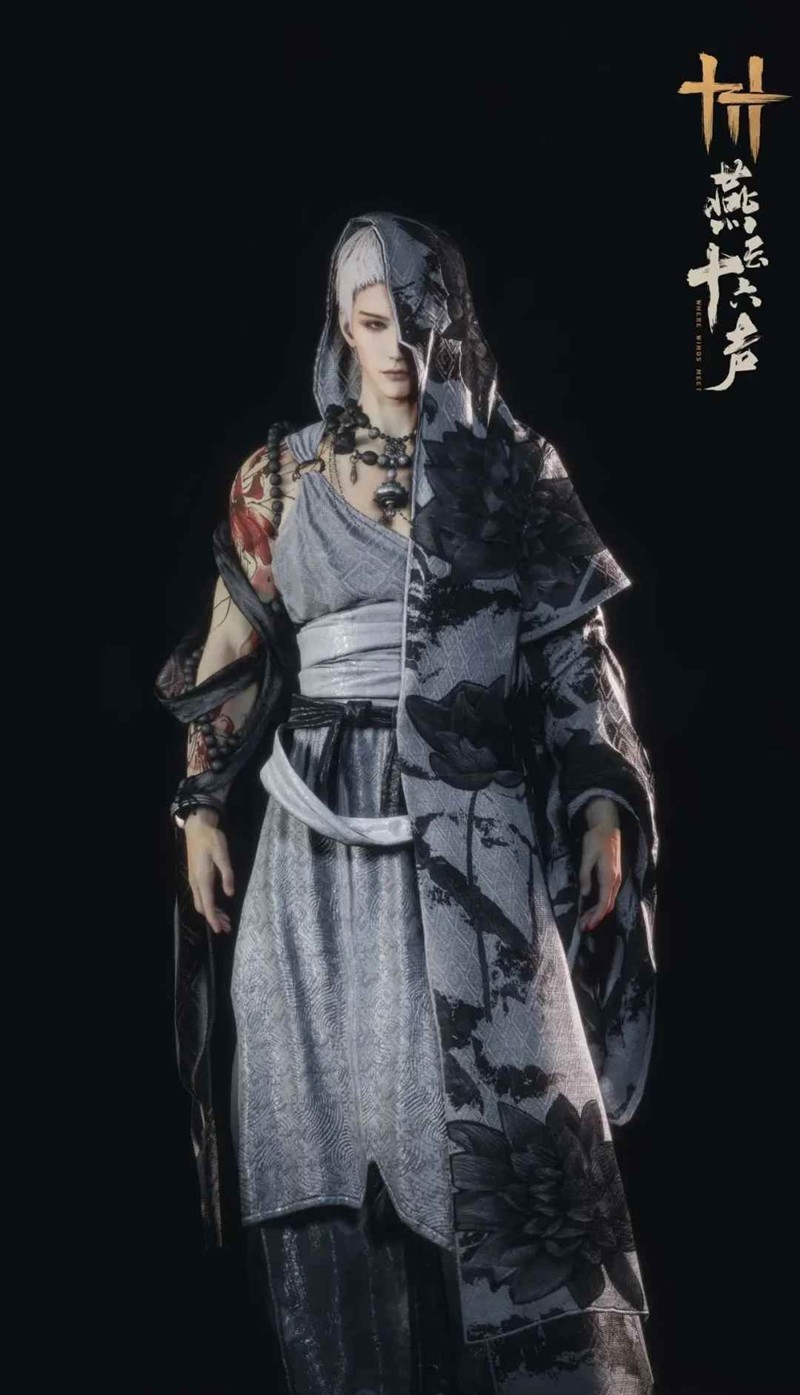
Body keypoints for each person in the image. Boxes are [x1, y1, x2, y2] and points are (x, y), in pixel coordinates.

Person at [156, 212, 659, 1393]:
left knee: (496, 1130)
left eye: (418, 322)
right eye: (373, 323)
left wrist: (599, 797)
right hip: (312, 846)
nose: (398, 349)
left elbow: (572, 652)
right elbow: (228, 662)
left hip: (472, 830)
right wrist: (201, 810)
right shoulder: (279, 476)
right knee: (320, 1139)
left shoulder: (509, 462)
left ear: (452, 320)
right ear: (341, 325)